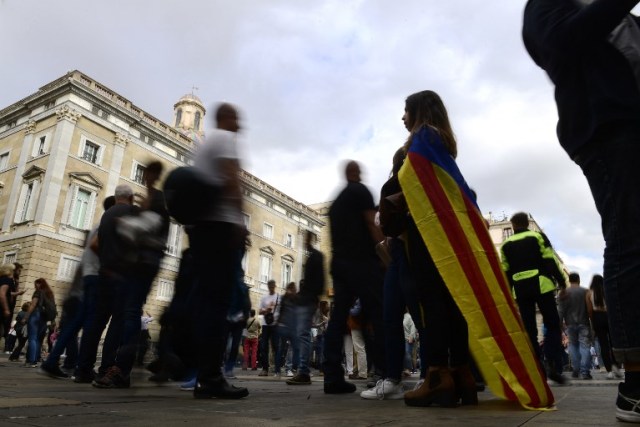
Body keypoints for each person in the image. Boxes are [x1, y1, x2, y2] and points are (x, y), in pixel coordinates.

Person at [523, 0, 640, 421]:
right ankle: (635, 382)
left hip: (626, 121)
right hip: (606, 127)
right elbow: (560, 41)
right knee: (630, 240)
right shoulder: (546, 6)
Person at [398, 90, 477, 407]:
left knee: (431, 302)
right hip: (447, 231)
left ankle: (436, 375)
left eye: (406, 111)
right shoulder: (441, 141)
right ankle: (461, 374)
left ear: (419, 111)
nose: (402, 117)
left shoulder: (423, 138)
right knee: (451, 301)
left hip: (428, 229)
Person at [187, 102, 248, 399]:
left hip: (202, 229)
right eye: (236, 117)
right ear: (225, 118)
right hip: (219, 228)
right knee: (218, 304)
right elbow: (230, 178)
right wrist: (239, 220)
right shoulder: (224, 139)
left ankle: (202, 374)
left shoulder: (204, 145)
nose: (240, 123)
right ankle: (211, 377)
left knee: (206, 301)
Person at [323, 160, 386, 394]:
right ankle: (385, 372)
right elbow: (371, 223)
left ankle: (332, 376)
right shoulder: (361, 191)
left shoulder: (336, 204)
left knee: (338, 319)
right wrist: (383, 252)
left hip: (340, 263)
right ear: (354, 173)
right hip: (362, 262)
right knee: (377, 315)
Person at [500, 211, 567, 384]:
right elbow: (550, 260)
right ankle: (552, 360)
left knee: (529, 329)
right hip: (542, 285)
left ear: (513, 225)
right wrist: (561, 282)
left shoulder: (505, 245)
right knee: (552, 324)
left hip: (520, 290)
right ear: (527, 224)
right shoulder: (538, 237)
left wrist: (508, 293)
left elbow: (505, 272)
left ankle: (537, 367)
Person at [287, 231, 325, 385]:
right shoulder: (313, 257)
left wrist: (306, 296)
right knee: (302, 335)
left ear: (311, 239)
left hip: (307, 301)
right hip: (307, 299)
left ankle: (303, 372)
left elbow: (318, 282)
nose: (304, 241)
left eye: (306, 238)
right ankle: (302, 370)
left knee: (303, 335)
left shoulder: (316, 256)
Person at [587, 274, 623, 380]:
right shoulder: (607, 290)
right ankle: (616, 365)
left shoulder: (589, 293)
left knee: (603, 345)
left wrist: (593, 322)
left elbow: (589, 310)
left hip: (597, 317)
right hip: (609, 316)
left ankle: (609, 371)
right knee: (614, 343)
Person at [558, 272, 593, 380]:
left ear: (569, 280)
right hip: (584, 322)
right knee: (585, 346)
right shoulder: (586, 291)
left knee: (573, 346)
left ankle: (576, 369)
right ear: (579, 279)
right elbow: (589, 308)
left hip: (570, 323)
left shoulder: (563, 293)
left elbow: (561, 310)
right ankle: (585, 371)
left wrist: (560, 323)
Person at [24, 278, 55, 367]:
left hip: (36, 315)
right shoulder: (50, 294)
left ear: (39, 284)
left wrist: (26, 317)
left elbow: (33, 304)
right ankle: (35, 359)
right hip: (44, 318)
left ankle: (31, 361)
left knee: (32, 338)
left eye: (36, 284)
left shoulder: (38, 292)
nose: (35, 286)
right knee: (37, 339)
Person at [258, 279, 280, 377]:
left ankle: (277, 369)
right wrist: (267, 310)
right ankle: (265, 369)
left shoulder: (279, 297)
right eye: (269, 286)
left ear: (275, 286)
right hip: (266, 324)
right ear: (268, 286)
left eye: (272, 286)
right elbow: (259, 312)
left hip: (275, 325)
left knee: (276, 346)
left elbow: (282, 311)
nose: (271, 287)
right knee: (264, 347)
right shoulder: (264, 297)